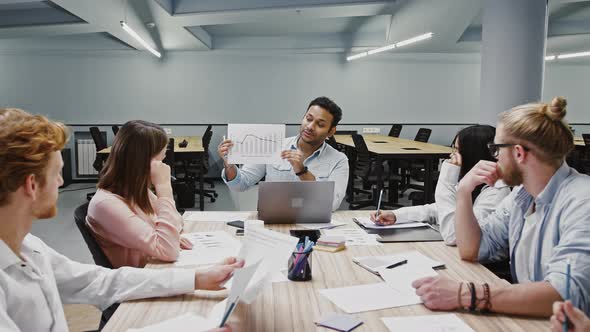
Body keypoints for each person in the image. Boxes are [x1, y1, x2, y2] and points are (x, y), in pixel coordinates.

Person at [0, 108, 241, 331]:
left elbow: (100, 281)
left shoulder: (29, 247)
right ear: (31, 185)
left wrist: (197, 278)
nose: (61, 182)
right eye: (57, 173)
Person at [412, 97, 590, 317]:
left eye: (496, 149)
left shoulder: (582, 202)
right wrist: (463, 192)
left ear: (518, 153)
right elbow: (472, 249)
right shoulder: (521, 196)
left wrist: (465, 294)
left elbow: (565, 295)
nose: (494, 157)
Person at [370, 125, 510, 245]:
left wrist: (447, 178)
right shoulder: (474, 183)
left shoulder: (496, 192)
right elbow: (438, 210)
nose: (452, 155)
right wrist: (396, 215)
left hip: (483, 269)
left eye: (457, 150)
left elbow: (454, 235)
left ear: (472, 155)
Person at [87, 120, 192, 268]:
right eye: (159, 160)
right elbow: (168, 251)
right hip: (138, 281)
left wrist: (169, 236)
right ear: (141, 161)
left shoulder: (134, 190)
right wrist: (164, 188)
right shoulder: (106, 204)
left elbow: (178, 222)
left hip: (154, 270)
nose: (164, 166)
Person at [218, 96, 349, 211]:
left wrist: (302, 172)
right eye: (308, 119)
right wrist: (229, 165)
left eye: (320, 124)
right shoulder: (274, 146)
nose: (310, 126)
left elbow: (332, 204)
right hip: (272, 220)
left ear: (331, 131)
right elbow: (241, 184)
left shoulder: (339, 160)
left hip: (314, 224)